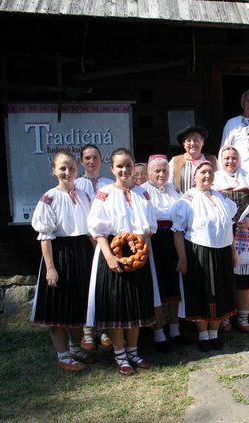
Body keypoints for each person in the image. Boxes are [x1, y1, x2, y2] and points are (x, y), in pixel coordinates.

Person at [86, 148, 159, 376]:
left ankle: (133, 350)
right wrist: (109, 256)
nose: (124, 169)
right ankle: (120, 355)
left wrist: (139, 247)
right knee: (117, 305)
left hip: (138, 250)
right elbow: (97, 230)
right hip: (112, 250)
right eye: (120, 166)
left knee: (136, 301)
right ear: (112, 169)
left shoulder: (143, 194)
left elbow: (150, 227)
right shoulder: (104, 194)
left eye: (128, 165)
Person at [30, 152, 93, 372]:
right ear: (54, 170)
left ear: (77, 169)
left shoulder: (85, 195)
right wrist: (50, 268)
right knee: (58, 306)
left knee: (78, 304)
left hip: (82, 252)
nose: (68, 172)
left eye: (72, 168)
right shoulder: (49, 198)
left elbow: (91, 232)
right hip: (60, 252)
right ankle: (63, 356)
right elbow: (45, 236)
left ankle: (76, 349)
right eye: (63, 168)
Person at [171, 161, 238, 352]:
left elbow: (229, 227)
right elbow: (177, 232)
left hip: (222, 251)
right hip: (198, 252)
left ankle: (214, 333)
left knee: (220, 291)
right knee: (202, 291)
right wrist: (182, 258)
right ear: (194, 176)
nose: (207, 175)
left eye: (210, 172)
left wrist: (233, 252)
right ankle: (203, 335)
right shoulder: (187, 200)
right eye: (203, 172)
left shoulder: (222, 198)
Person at [214, 146, 249, 333]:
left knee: (245, 278)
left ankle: (243, 317)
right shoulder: (213, 178)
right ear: (221, 159)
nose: (230, 161)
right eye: (226, 158)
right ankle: (225, 317)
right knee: (224, 277)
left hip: (246, 233)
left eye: (234, 158)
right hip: (222, 235)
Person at [141, 154, 187, 352]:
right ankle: (159, 333)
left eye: (165, 171)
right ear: (149, 172)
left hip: (174, 239)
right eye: (157, 171)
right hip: (153, 242)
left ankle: (175, 330)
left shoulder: (175, 190)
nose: (161, 174)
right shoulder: (142, 192)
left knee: (174, 284)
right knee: (156, 287)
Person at [73, 144, 113, 351]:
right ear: (81, 161)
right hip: (86, 242)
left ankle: (105, 328)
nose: (91, 161)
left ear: (101, 160)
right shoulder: (77, 184)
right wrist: (93, 239)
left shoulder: (109, 184)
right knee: (87, 286)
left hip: (106, 241)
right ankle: (88, 331)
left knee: (104, 284)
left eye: (95, 157)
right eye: (87, 158)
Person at [169, 125, 218, 193]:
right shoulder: (174, 162)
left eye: (196, 139)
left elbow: (220, 182)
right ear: (184, 144)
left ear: (202, 142)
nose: (192, 143)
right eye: (188, 140)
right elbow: (168, 186)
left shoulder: (212, 160)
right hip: (184, 202)